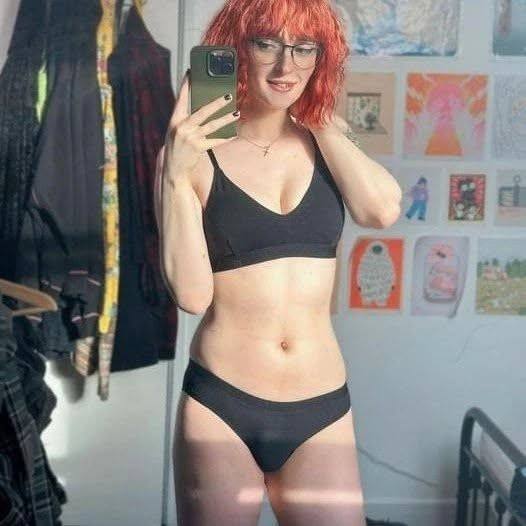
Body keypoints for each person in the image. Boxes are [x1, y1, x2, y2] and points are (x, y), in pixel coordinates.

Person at [155, 0, 401, 524]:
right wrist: (173, 174)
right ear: (236, 47)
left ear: (321, 57)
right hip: (223, 404)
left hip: (321, 407)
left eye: (304, 48)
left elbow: (381, 210)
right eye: (267, 43)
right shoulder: (193, 156)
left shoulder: (325, 139)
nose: (286, 66)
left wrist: (320, 117)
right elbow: (192, 295)